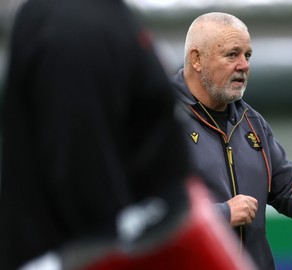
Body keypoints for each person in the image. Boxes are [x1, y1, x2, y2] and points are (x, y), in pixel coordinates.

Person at [0, 2, 256, 270]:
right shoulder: (77, 25)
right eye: (232, 54)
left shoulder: (103, 18)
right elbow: (84, 186)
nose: (243, 64)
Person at [170, 12, 292, 270]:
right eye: (232, 55)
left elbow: (287, 187)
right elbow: (146, 210)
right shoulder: (159, 120)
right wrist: (222, 214)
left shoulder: (251, 121)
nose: (244, 65)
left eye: (248, 55)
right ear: (197, 59)